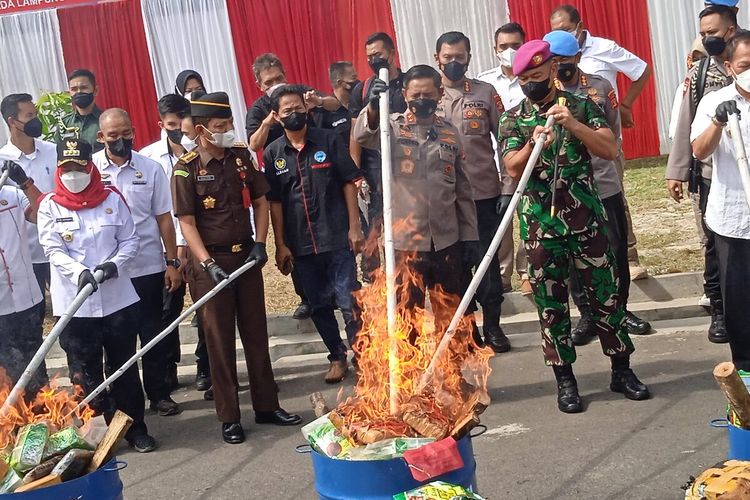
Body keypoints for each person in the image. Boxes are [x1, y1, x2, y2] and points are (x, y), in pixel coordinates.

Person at [498, 40, 649, 414]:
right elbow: (512, 168)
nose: (532, 84)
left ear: (551, 70)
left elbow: (608, 149)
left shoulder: (582, 106)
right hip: (541, 231)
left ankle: (621, 369)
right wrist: (532, 143)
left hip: (586, 224)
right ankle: (565, 379)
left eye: (537, 75)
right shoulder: (513, 119)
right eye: (525, 79)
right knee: (551, 307)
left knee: (606, 298)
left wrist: (575, 125)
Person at [172, 92, 301, 444]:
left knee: (257, 334)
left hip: (245, 257)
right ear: (201, 130)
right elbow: (186, 223)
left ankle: (266, 405)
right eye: (220, 126)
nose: (228, 130)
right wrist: (207, 263)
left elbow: (260, 201)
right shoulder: (186, 168)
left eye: (228, 123)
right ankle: (230, 416)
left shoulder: (241, 158)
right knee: (219, 341)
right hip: (209, 264)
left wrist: (262, 242)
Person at [38, 138, 157, 452]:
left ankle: (135, 428)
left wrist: (113, 265)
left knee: (124, 370)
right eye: (68, 168)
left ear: (90, 167)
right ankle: (98, 435)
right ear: (59, 170)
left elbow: (130, 241)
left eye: (79, 167)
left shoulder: (112, 199)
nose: (73, 174)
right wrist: (79, 272)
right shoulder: (49, 204)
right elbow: (52, 248)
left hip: (118, 301)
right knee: (84, 374)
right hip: (76, 307)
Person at [353, 64, 479, 344]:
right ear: (404, 93)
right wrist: (373, 105)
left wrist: (470, 237)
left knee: (452, 316)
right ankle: (411, 382)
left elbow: (462, 190)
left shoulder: (449, 132)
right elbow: (363, 135)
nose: (422, 100)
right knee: (407, 317)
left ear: (440, 94)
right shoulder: (391, 128)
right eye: (416, 94)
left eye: (428, 94)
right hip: (405, 243)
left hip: (446, 240)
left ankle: (453, 379)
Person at [544, 30, 652, 341]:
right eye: (555, 61)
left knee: (615, 250)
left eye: (565, 60)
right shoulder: (545, 94)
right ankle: (588, 315)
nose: (559, 67)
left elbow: (612, 136)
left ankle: (620, 309)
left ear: (577, 58)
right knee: (575, 254)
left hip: (603, 181)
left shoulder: (601, 87)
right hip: (567, 187)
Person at [264, 85, 364, 383]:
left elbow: (349, 183)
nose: (294, 114)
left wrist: (355, 227)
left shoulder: (329, 140)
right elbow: (275, 203)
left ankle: (363, 355)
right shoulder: (273, 154)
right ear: (277, 116)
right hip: (301, 245)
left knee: (349, 301)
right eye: (287, 111)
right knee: (319, 305)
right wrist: (280, 244)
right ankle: (337, 356)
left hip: (336, 237)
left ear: (306, 109)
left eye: (298, 108)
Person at [550, 4, 653, 280]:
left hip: (603, 153)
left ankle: (628, 261)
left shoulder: (604, 56)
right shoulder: (546, 87)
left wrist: (627, 105)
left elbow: (640, 72)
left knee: (613, 212)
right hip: (566, 167)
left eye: (566, 32)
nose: (560, 63)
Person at [92, 108, 182, 417]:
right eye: (112, 136)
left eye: (125, 133)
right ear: (101, 137)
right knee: (116, 337)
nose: (120, 140)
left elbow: (163, 219)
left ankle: (159, 394)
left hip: (147, 265)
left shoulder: (151, 168)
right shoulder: (90, 170)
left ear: (134, 131)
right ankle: (122, 401)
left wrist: (171, 261)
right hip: (111, 271)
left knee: (152, 334)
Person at [245, 53, 339, 321]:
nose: (276, 84)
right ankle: (306, 297)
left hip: (316, 168)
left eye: (279, 78)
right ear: (259, 85)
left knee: (326, 229)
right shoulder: (258, 108)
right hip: (282, 177)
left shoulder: (299, 93)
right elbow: (253, 143)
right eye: (269, 82)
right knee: (293, 239)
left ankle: (333, 292)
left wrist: (317, 102)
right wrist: (269, 121)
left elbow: (335, 105)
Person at [433, 31, 510, 353]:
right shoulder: (426, 96)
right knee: (454, 267)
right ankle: (468, 331)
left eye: (459, 56)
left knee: (487, 264)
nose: (453, 62)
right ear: (437, 58)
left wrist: (508, 186)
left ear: (469, 57)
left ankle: (493, 327)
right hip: (443, 201)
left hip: (483, 195)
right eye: (447, 57)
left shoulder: (485, 92)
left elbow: (507, 139)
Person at [667, 5, 737, 344]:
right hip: (711, 173)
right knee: (713, 243)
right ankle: (720, 311)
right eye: (704, 33)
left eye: (713, 32)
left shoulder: (746, 62)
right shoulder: (700, 73)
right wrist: (677, 171)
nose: (708, 39)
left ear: (732, 30)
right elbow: (685, 124)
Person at [691, 29, 750, 372]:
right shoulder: (715, 101)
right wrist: (717, 121)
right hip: (734, 219)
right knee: (740, 303)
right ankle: (744, 373)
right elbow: (699, 150)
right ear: (729, 67)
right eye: (745, 64)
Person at [139, 94, 197, 392]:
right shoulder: (147, 159)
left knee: (206, 310)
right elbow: (156, 210)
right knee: (167, 313)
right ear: (160, 123)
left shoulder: (202, 149)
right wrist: (174, 253)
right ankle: (167, 371)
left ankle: (207, 368)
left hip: (201, 245)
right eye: (170, 125)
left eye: (181, 124)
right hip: (167, 250)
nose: (177, 130)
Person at [349, 32, 409, 283]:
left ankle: (404, 279)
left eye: (379, 54)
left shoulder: (408, 84)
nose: (374, 60)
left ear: (392, 53)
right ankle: (373, 280)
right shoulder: (362, 90)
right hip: (374, 175)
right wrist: (356, 175)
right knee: (373, 231)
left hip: (406, 172)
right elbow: (355, 136)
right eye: (369, 57)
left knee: (403, 234)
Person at [478, 22, 532, 295]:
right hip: (498, 165)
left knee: (530, 217)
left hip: (532, 161)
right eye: (504, 47)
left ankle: (528, 272)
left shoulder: (534, 78)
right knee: (502, 220)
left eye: (516, 46)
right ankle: (503, 275)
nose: (510, 51)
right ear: (494, 49)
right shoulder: (484, 83)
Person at [0, 94, 57, 298]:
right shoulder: (2, 162)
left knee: (70, 312)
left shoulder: (53, 151)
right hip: (27, 253)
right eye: (29, 115)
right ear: (12, 122)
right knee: (34, 311)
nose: (36, 120)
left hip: (59, 245)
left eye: (36, 114)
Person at [0, 161, 48, 397]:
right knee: (6, 371)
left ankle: (42, 417)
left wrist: (25, 182)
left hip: (26, 295)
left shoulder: (11, 195)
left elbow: (44, 215)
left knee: (33, 364)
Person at [313, 62, 360, 145]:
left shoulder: (360, 103)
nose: (358, 82)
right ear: (341, 83)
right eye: (354, 78)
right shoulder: (324, 112)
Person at [59, 69, 103, 152]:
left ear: (95, 90)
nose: (79, 92)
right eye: (74, 89)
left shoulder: (106, 121)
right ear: (69, 93)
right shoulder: (64, 123)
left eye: (83, 88)